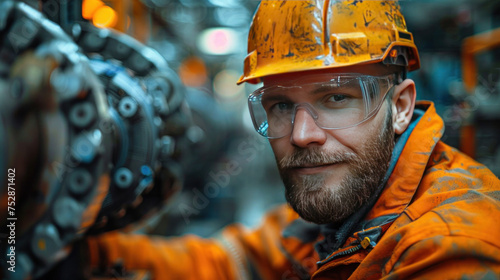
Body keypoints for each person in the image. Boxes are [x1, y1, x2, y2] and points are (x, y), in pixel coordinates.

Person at [86, 1, 500, 279]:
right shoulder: (329, 219)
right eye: (281, 106)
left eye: (337, 98)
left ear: (402, 107)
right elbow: (230, 261)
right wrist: (86, 257)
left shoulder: (451, 246)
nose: (302, 135)